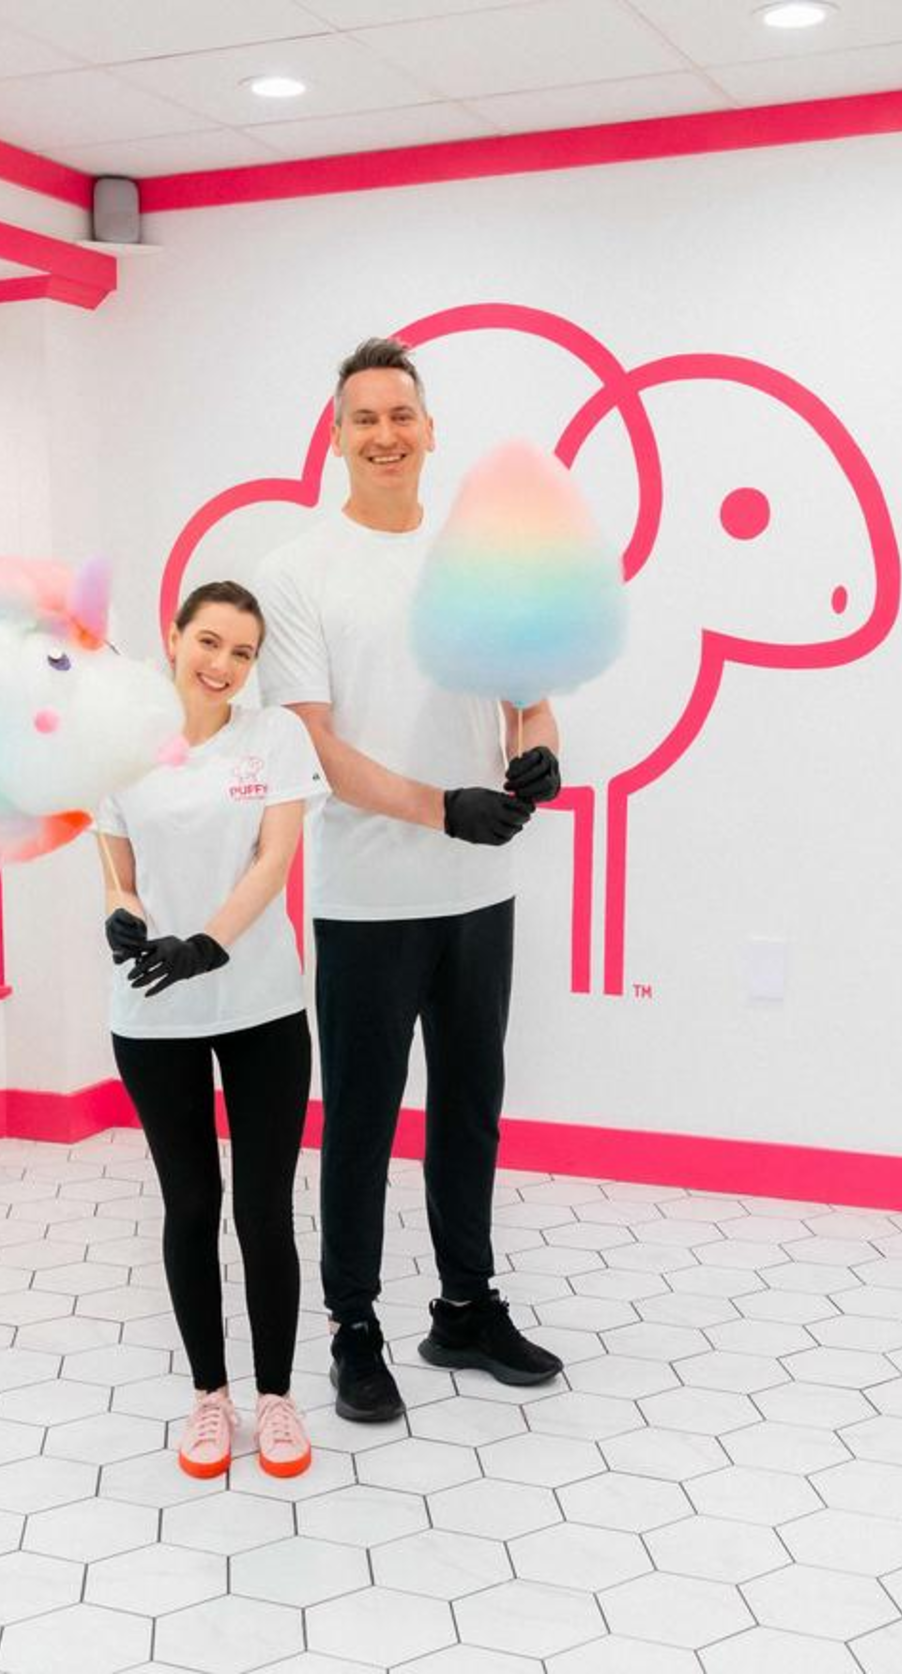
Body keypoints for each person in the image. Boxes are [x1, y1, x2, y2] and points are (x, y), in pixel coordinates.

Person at [256, 336, 566, 1424]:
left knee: (471, 1110)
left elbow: (529, 698)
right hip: (367, 898)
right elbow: (314, 746)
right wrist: (442, 807)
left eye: (401, 415)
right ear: (337, 438)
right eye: (364, 419)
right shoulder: (298, 571)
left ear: (430, 430)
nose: (385, 435)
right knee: (361, 1122)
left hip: (480, 891)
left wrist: (540, 751)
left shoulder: (476, 558)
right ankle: (354, 1330)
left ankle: (465, 1308)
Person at [98, 580, 326, 1478]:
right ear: (175, 636)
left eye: (242, 652)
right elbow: (117, 877)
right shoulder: (119, 751)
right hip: (154, 1010)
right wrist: (122, 918)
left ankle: (276, 1398)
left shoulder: (276, 738)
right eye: (209, 642)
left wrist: (208, 945)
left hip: (262, 1004)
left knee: (265, 1210)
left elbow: (275, 859)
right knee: (191, 1204)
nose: (223, 664)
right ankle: (209, 1397)